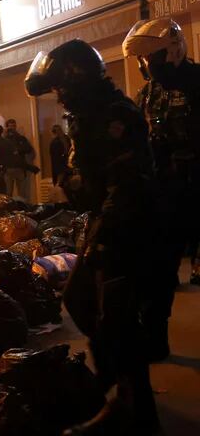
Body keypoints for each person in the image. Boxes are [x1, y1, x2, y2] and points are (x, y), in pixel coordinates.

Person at [25, 39, 160, 435]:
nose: (59, 97)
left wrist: (105, 237)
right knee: (79, 298)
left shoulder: (116, 115)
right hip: (107, 224)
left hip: (131, 229)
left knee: (119, 323)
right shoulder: (86, 116)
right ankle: (114, 388)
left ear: (77, 80)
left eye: (61, 88)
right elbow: (88, 185)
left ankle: (135, 414)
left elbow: (128, 185)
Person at [123, 18, 200, 360]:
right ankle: (155, 337)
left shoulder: (198, 81)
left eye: (150, 57)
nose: (146, 65)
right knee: (160, 269)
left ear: (172, 50)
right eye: (143, 59)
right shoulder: (147, 94)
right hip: (168, 193)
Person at [3, 119, 38, 200]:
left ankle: (23, 208)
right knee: (8, 193)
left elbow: (28, 149)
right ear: (7, 127)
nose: (12, 128)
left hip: (20, 168)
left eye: (14, 126)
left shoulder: (21, 138)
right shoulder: (4, 140)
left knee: (22, 193)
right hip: (8, 169)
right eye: (10, 126)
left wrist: (18, 149)